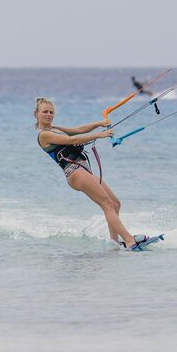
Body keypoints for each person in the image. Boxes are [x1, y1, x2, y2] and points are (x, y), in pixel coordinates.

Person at [34, 97, 144, 249]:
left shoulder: (55, 129)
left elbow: (79, 130)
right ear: (37, 114)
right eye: (45, 112)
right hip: (74, 171)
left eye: (51, 112)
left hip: (84, 169)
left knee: (115, 203)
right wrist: (99, 135)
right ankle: (130, 240)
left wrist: (98, 124)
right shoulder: (43, 135)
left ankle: (115, 243)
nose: (48, 114)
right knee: (107, 204)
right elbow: (73, 141)